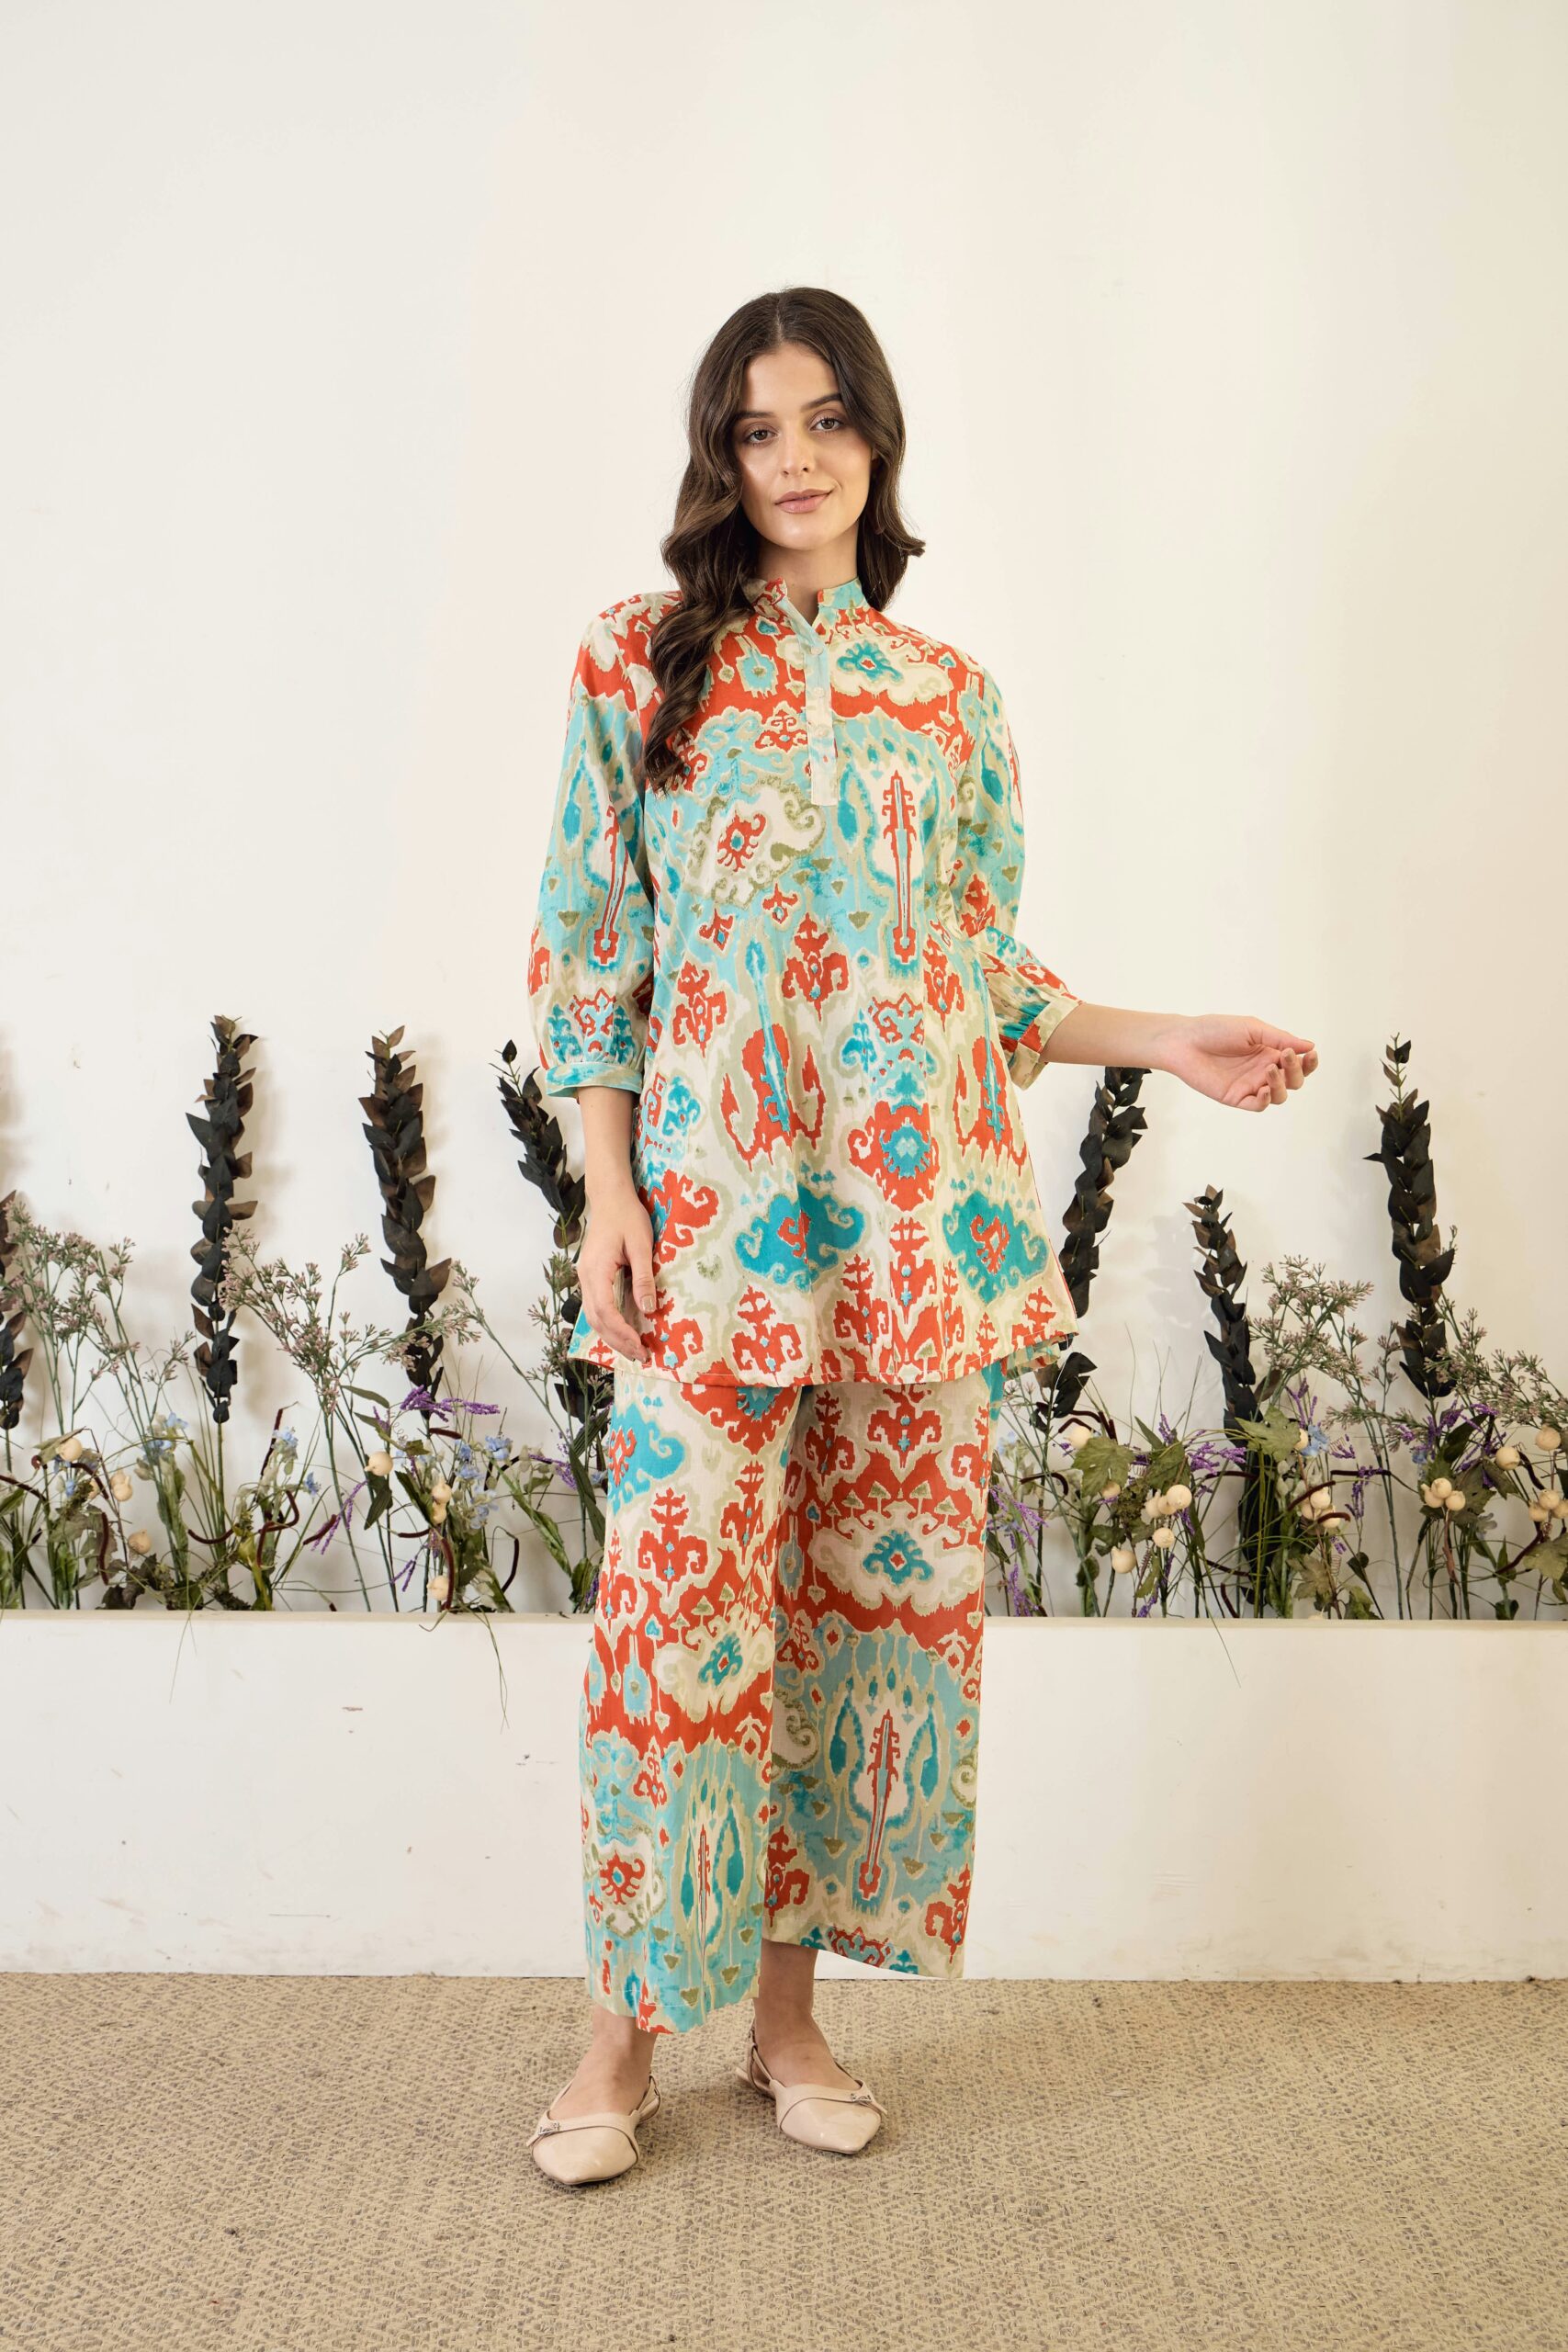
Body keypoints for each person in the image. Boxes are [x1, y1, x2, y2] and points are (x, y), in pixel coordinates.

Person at [524, 287, 1317, 2185]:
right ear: (718, 456)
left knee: (857, 1628)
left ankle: (789, 2022)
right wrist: (609, 1189)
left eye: (826, 421)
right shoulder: (636, 659)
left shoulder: (948, 697)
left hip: (910, 1236)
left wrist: (1162, 1039)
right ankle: (618, 2034)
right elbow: (588, 945)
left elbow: (977, 966)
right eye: (755, 428)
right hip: (715, 1229)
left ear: (876, 441)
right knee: (673, 1623)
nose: (793, 459)